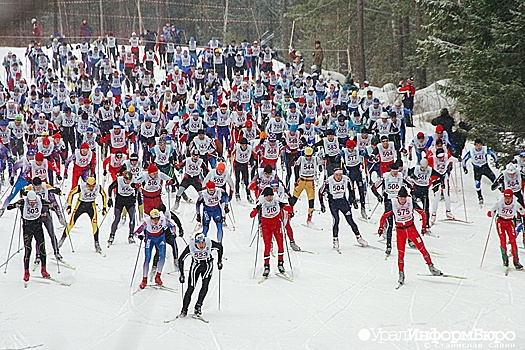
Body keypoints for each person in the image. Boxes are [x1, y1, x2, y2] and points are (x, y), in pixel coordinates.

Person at [378, 187, 442, 286]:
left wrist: (424, 226)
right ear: (398, 197)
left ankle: (431, 267)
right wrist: (381, 228)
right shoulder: (393, 203)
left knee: (422, 248)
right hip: (400, 231)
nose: (402, 200)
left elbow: (422, 213)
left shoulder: (410, 201)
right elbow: (384, 216)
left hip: (411, 230)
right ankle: (401, 273)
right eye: (401, 198)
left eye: (404, 198)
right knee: (401, 253)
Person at [7, 190, 53, 281]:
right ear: (27, 199)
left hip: (37, 226)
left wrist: (51, 206)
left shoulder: (39, 200)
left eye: (34, 201)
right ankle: (26, 272)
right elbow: (9, 207)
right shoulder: (22, 202)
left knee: (42, 247)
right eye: (30, 202)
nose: (32, 203)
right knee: (28, 249)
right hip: (27, 227)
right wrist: (15, 206)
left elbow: (49, 203)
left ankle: (44, 269)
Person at [319, 168, 368, 250]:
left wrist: (352, 201)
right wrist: (322, 204)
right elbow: (320, 192)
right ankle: (335, 240)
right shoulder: (329, 181)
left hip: (343, 201)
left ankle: (359, 237)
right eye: (337, 175)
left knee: (350, 220)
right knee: (336, 220)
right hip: (333, 202)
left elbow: (351, 190)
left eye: (340, 175)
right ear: (334, 175)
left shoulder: (346, 179)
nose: (339, 177)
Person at [250, 187, 293, 277]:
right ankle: (266, 266)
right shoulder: (261, 202)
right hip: (266, 227)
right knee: (267, 246)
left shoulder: (276, 200)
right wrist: (255, 210)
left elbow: (287, 207)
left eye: (271, 196)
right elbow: (253, 213)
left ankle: (280, 264)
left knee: (281, 245)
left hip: (277, 225)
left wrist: (287, 207)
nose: (269, 198)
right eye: (267, 196)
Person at [177, 233, 223, 318]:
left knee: (205, 286)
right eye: (199, 243)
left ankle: (198, 306)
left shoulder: (210, 243)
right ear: (195, 243)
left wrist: (219, 261)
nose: (201, 245)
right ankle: (184, 310)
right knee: (191, 288)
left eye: (203, 243)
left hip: (207, 265)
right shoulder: (191, 247)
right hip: (196, 266)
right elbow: (181, 260)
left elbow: (220, 247)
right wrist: (182, 274)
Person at [58, 177, 108, 253]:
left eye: (93, 186)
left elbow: (104, 195)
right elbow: (72, 193)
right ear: (86, 184)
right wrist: (69, 206)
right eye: (89, 186)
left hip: (91, 205)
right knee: (71, 223)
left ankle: (96, 243)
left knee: (94, 224)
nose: (91, 188)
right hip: (80, 205)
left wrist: (104, 208)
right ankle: (62, 240)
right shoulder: (81, 186)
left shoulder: (98, 187)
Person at [372, 162, 411, 254]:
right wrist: (378, 196)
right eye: (393, 172)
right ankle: (388, 245)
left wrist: (411, 193)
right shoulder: (385, 176)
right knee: (390, 224)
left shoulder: (401, 176)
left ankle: (409, 240)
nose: (395, 174)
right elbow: (373, 187)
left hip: (399, 203)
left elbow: (411, 184)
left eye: (396, 171)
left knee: (404, 222)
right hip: (389, 202)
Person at [134, 208, 177, 289]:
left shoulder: (163, 219)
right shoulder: (146, 222)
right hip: (150, 239)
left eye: (157, 218)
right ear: (151, 218)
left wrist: (173, 232)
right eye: (154, 219)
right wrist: (139, 236)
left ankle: (158, 276)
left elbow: (172, 226)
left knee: (162, 256)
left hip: (160, 238)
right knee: (147, 258)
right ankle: (144, 279)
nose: (156, 221)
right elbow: (136, 232)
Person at [487, 189, 524, 270]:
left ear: (511, 197)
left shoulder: (515, 203)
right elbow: (492, 209)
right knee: (503, 240)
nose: (507, 200)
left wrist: (523, 212)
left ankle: (516, 261)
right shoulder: (500, 202)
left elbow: (521, 210)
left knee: (513, 241)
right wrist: (490, 213)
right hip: (500, 221)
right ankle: (505, 259)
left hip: (510, 222)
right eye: (506, 198)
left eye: (509, 198)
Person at [462, 138, 498, 206]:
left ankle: (502, 192)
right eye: (477, 145)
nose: (478, 147)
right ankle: (480, 197)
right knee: (477, 184)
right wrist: (464, 167)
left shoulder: (484, 149)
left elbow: (493, 154)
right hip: (477, 169)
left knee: (495, 180)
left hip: (485, 167)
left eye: (480, 145)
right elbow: (464, 160)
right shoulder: (472, 151)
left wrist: (496, 162)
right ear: (475, 145)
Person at [288, 147, 318, 225]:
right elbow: (294, 165)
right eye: (307, 156)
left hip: (310, 182)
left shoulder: (315, 159)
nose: (309, 158)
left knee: (311, 201)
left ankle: (309, 219)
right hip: (301, 181)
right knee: (293, 199)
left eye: (310, 156)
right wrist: (293, 160)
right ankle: (288, 216)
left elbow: (323, 161)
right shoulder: (301, 158)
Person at [107, 171, 138, 245]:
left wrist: (136, 196)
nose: (127, 181)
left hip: (130, 200)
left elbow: (138, 190)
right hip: (120, 200)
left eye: (129, 180)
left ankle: (131, 236)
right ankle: (112, 235)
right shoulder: (119, 180)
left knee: (132, 219)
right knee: (117, 218)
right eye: (126, 179)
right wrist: (110, 198)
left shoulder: (134, 180)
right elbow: (110, 187)